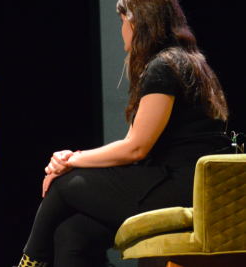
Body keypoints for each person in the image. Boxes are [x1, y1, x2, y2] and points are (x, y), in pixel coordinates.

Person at [17, 0, 231, 266]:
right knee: (72, 234)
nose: (121, 30)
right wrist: (73, 157)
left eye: (122, 21)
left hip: (184, 186)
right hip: (181, 182)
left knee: (63, 184)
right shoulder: (183, 62)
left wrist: (69, 161)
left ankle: (29, 261)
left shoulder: (165, 67)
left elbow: (135, 148)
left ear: (138, 21)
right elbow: (132, 143)